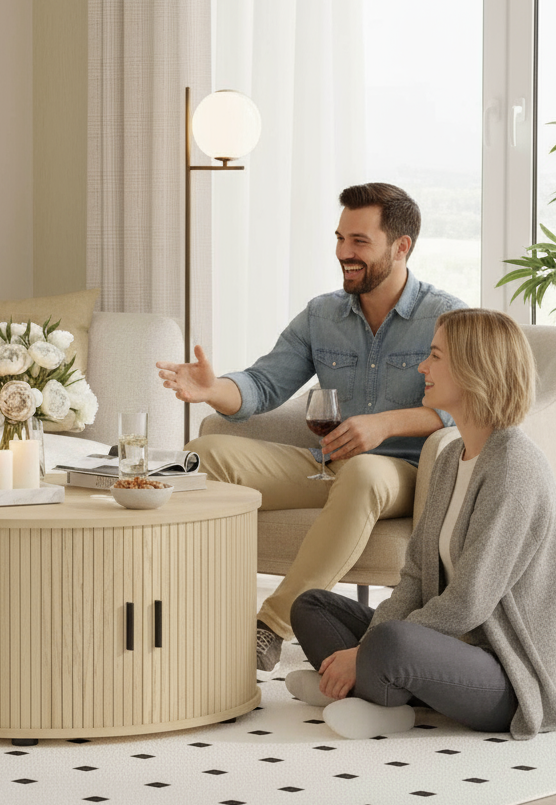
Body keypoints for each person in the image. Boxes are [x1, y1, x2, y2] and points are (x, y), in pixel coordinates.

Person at [157, 183, 465, 670]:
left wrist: (385, 424)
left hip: (403, 474)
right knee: (205, 451)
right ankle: (180, 606)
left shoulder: (446, 316)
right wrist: (213, 389)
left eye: (359, 241)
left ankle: (270, 627)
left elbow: (466, 406)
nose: (344, 253)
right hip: (328, 463)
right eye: (340, 239)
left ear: (401, 246)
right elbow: (264, 384)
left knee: (362, 473)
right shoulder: (323, 314)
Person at [285, 309, 556, 741]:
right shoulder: (450, 458)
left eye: (435, 356)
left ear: (474, 368)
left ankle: (371, 697)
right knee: (312, 606)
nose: (422, 367)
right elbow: (416, 577)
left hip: (508, 674)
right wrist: (366, 645)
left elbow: (469, 602)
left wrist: (363, 652)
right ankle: (371, 692)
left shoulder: (514, 466)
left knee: (392, 643)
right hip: (448, 647)